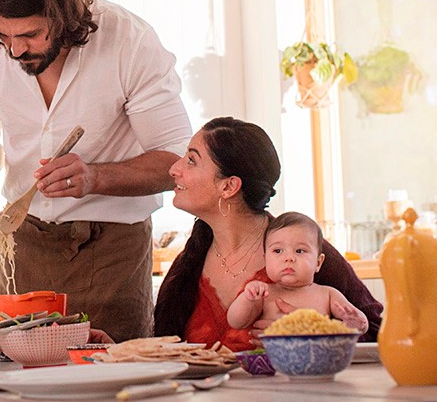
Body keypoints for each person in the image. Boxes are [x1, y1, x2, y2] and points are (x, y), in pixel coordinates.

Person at [0, 0, 191, 342]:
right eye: (5, 36)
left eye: (31, 34)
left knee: (109, 377)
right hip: (22, 244)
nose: (16, 49)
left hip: (111, 246)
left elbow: (176, 159)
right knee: (21, 378)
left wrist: (95, 178)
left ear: (64, 15)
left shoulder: (129, 41)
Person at [154, 117, 382, 352]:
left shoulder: (301, 251)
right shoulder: (187, 264)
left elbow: (376, 330)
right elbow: (163, 352)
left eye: (191, 160)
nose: (174, 169)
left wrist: (316, 332)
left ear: (229, 187)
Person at [226, 211, 369, 332]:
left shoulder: (328, 294)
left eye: (300, 251)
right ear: (265, 259)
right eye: (278, 251)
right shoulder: (265, 293)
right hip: (273, 362)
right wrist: (247, 298)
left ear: (318, 262)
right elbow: (235, 322)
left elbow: (359, 322)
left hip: (318, 360)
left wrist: (356, 323)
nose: (289, 258)